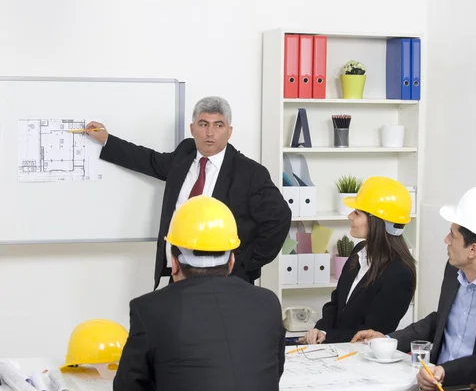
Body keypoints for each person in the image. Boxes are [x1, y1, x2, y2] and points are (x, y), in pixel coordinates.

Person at [85, 96, 291, 289]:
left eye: (218, 125)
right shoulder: (184, 155)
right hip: (179, 276)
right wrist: (106, 140)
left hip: (226, 281)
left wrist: (244, 263)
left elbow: (279, 219)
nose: (210, 133)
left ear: (229, 131)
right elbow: (149, 160)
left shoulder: (249, 173)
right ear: (192, 129)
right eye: (203, 124)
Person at [351, 187, 476, 390]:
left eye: (452, 235)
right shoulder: (454, 269)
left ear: (473, 250)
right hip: (434, 380)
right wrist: (387, 339)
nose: (446, 240)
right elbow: (439, 322)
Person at [113, 195, 286, 391]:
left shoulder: (148, 310)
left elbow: (128, 386)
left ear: (175, 263)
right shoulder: (268, 303)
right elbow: (274, 372)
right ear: (231, 262)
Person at [300, 177, 417, 345]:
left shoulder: (399, 273)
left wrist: (328, 337)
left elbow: (373, 331)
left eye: (357, 213)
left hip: (360, 356)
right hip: (334, 347)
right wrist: (321, 330)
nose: (349, 216)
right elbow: (336, 303)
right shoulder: (359, 251)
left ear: (377, 222)